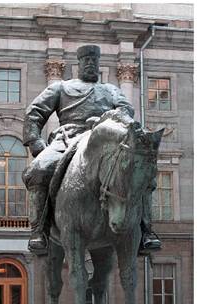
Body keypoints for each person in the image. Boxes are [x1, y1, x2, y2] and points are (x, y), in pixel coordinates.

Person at [22, 44, 161, 255]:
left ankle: (145, 230)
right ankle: (38, 231)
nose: (90, 64)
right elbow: (35, 112)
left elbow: (126, 110)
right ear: (78, 64)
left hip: (104, 141)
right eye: (86, 60)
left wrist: (107, 120)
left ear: (98, 65)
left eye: (93, 61)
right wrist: (35, 143)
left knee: (140, 172)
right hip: (67, 139)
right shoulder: (61, 87)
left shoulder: (111, 90)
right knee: (39, 170)